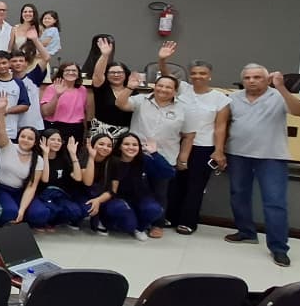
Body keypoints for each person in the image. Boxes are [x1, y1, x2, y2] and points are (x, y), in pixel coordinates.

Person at [213, 65, 300, 267]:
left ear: (267, 79)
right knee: (239, 194)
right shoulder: (233, 98)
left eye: (257, 77)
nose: (252, 81)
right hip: (238, 153)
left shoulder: (278, 96)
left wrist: (282, 88)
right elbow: (223, 125)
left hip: (271, 156)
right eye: (247, 77)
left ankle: (279, 248)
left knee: (275, 202)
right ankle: (246, 232)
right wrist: (219, 150)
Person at [156, 42, 231, 235]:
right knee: (175, 183)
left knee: (195, 186)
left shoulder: (220, 99)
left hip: (203, 146)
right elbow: (166, 76)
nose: (198, 76)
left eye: (202, 73)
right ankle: (171, 216)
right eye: (194, 73)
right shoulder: (183, 89)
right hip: (178, 143)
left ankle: (188, 221)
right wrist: (163, 59)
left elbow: (220, 127)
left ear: (209, 75)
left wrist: (219, 150)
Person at [116, 74, 194, 238]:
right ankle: (134, 219)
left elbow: (188, 136)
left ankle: (158, 224)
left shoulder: (184, 109)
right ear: (154, 86)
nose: (163, 89)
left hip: (164, 158)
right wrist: (129, 88)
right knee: (132, 189)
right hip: (136, 156)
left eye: (168, 87)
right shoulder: (141, 100)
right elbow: (120, 104)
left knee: (160, 192)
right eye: (160, 85)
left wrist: (183, 158)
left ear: (175, 91)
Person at [0, 94, 49, 228]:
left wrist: (22, 210)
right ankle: (9, 214)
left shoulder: (37, 159)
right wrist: (0, 111)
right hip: (0, 188)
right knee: (10, 212)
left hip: (19, 191)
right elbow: (1, 130)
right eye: (23, 136)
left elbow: (31, 187)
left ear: (35, 142)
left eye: (30, 138)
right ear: (18, 137)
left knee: (41, 214)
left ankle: (20, 214)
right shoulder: (7, 146)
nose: (25, 140)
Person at [97, 134, 172, 241]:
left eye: (134, 145)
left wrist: (155, 154)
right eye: (126, 144)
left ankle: (140, 228)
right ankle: (107, 222)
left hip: (140, 199)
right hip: (116, 201)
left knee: (155, 209)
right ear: (120, 146)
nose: (131, 147)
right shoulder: (112, 161)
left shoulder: (144, 160)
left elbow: (169, 173)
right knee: (126, 222)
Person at [35, 131, 91, 229]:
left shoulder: (63, 158)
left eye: (59, 140)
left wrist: (73, 154)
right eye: (52, 139)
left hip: (59, 195)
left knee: (75, 211)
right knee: (45, 211)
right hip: (42, 195)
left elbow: (78, 177)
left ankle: (54, 221)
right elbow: (45, 179)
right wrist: (45, 155)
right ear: (44, 141)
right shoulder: (38, 158)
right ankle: (42, 221)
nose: (56, 142)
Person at [90, 36, 133, 136]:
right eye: (112, 72)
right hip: (102, 131)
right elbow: (97, 75)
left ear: (126, 74)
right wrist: (105, 55)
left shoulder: (132, 90)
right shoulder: (102, 87)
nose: (116, 75)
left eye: (120, 72)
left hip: (126, 133)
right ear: (106, 74)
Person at [9, 37, 51, 133]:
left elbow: (46, 57)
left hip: (34, 126)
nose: (18, 63)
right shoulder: (7, 81)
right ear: (9, 64)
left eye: (21, 61)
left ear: (26, 63)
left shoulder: (34, 77)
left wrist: (35, 40)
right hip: (13, 127)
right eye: (14, 61)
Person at [40, 61, 88, 145]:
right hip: (55, 128)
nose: (71, 73)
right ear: (61, 73)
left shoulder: (82, 90)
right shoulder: (52, 88)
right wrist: (57, 95)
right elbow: (45, 112)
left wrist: (85, 131)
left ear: (78, 74)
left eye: (74, 70)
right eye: (67, 70)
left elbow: (84, 112)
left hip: (76, 129)